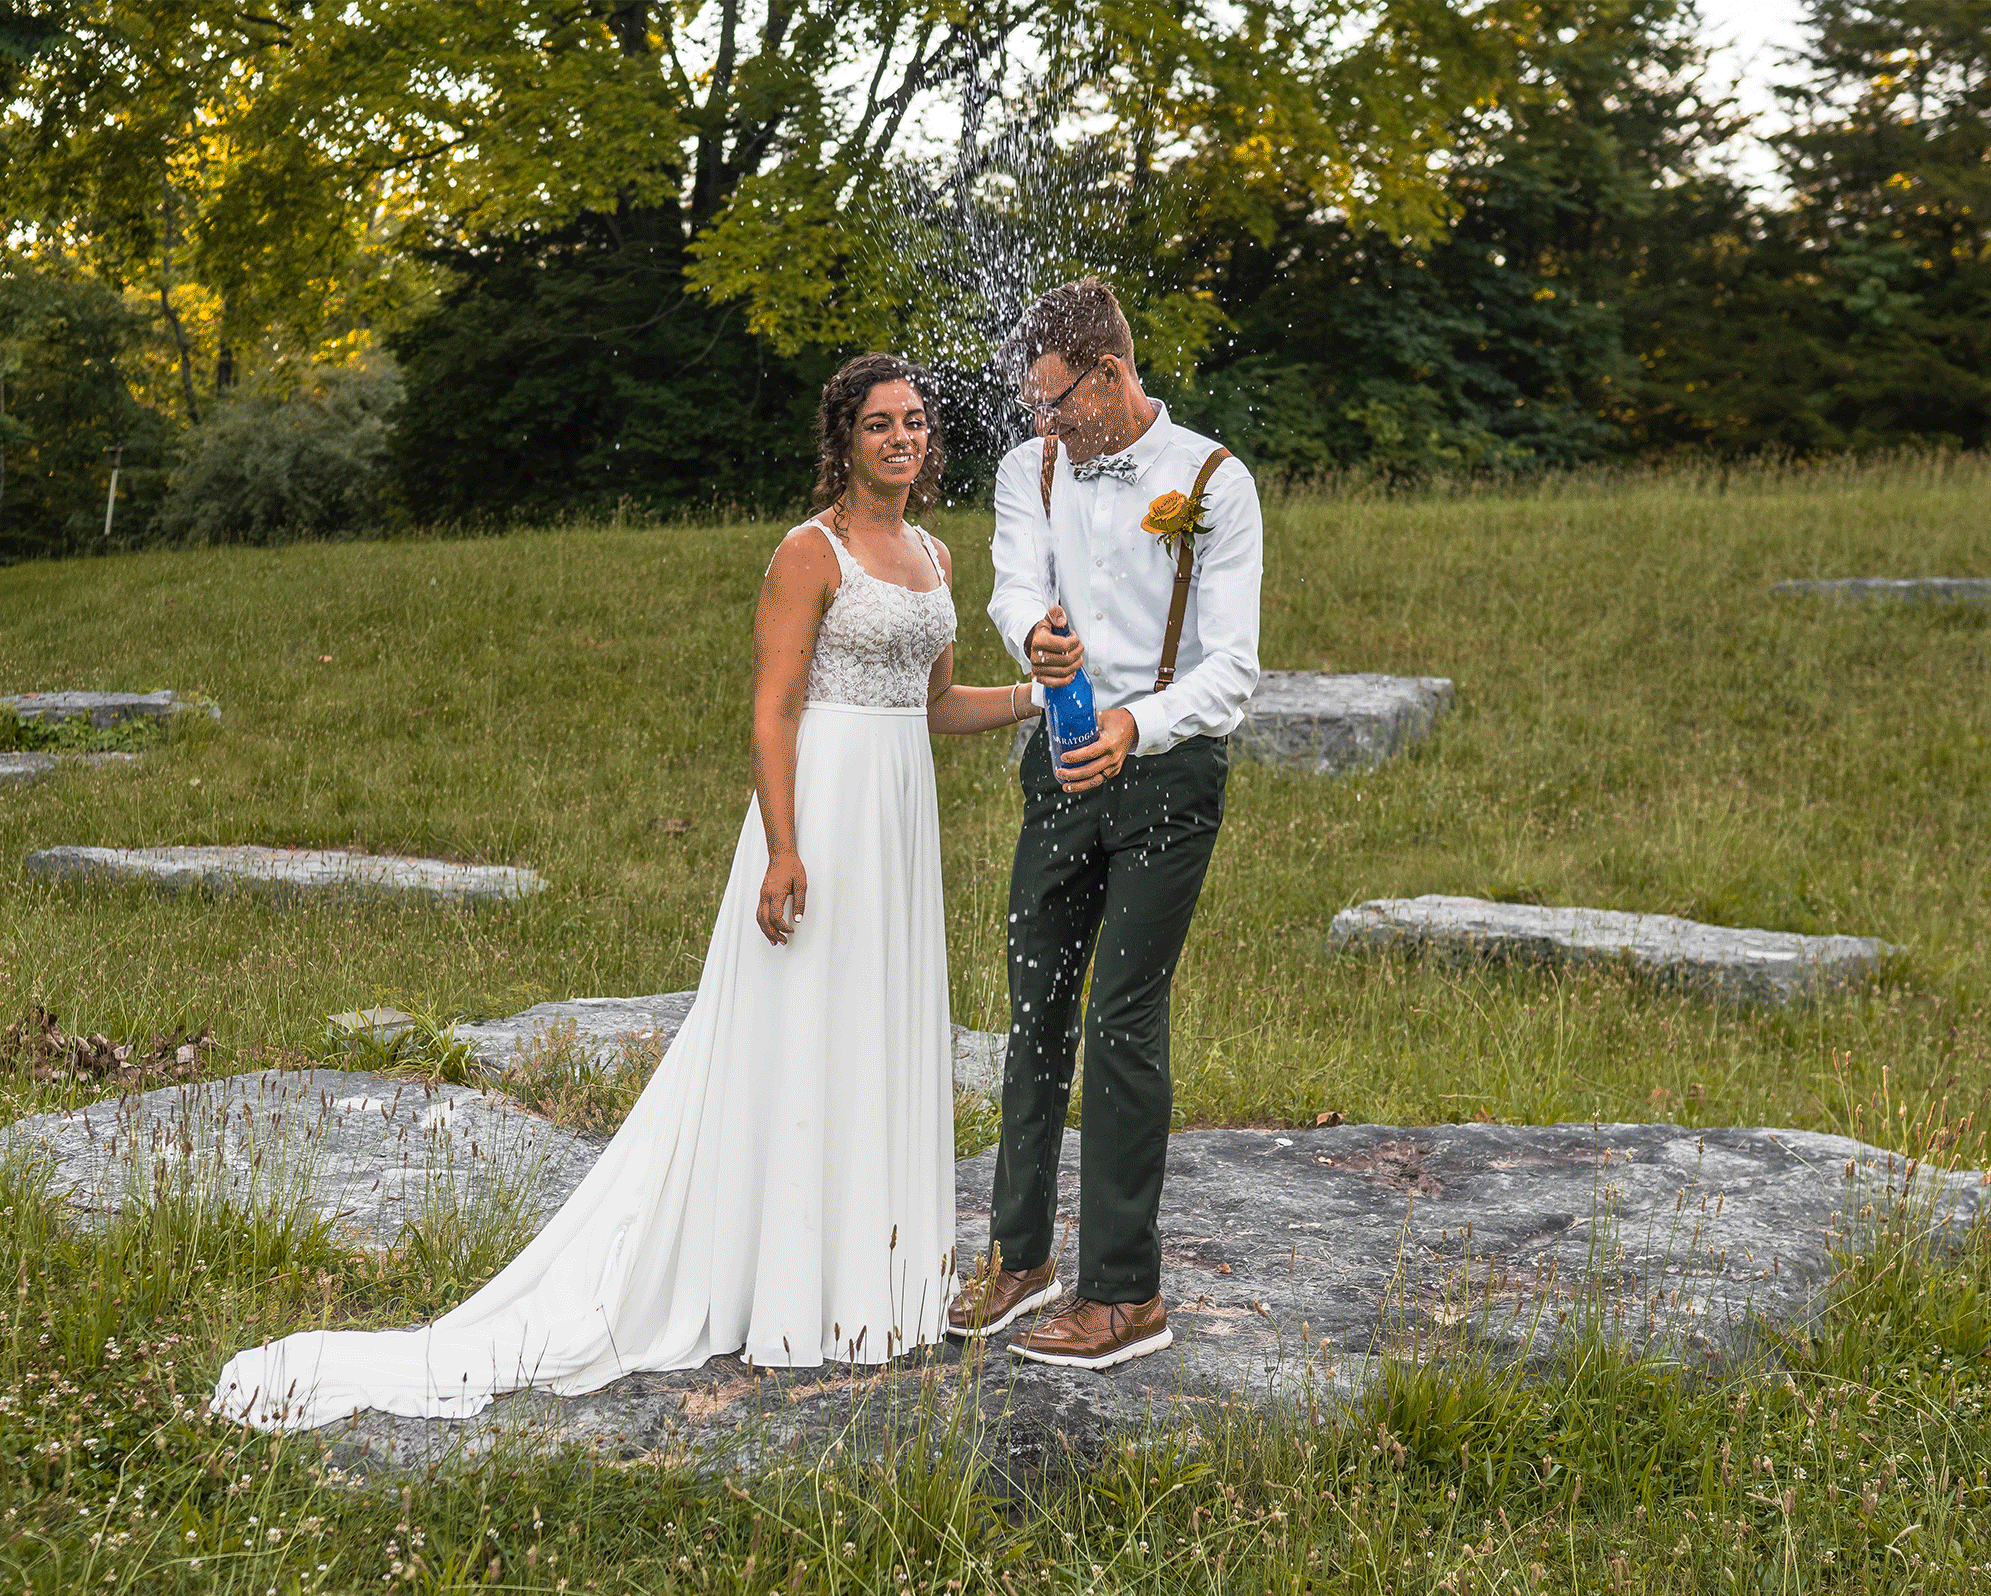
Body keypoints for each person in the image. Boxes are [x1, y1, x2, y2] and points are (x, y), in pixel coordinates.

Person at [211, 355, 1035, 1429]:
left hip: (899, 818)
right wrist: (784, 848)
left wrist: (1034, 695)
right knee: (799, 1033)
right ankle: (784, 1286)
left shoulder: (931, 553)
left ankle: (868, 1285)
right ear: (842, 441)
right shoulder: (807, 553)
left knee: (875, 1030)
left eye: (915, 422)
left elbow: (932, 706)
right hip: (822, 812)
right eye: (879, 424)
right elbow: (771, 712)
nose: (902, 438)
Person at [947, 277, 1264, 1370]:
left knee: (1123, 1016)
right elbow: (1006, 585)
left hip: (1169, 778)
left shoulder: (1213, 482)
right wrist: (1032, 634)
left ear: (1113, 375)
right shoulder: (1028, 467)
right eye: (1034, 407)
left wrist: (1138, 723)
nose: (1047, 426)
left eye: (1058, 403)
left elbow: (1231, 674)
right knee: (1033, 1004)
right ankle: (1020, 1256)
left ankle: (1127, 1296)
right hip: (1057, 767)